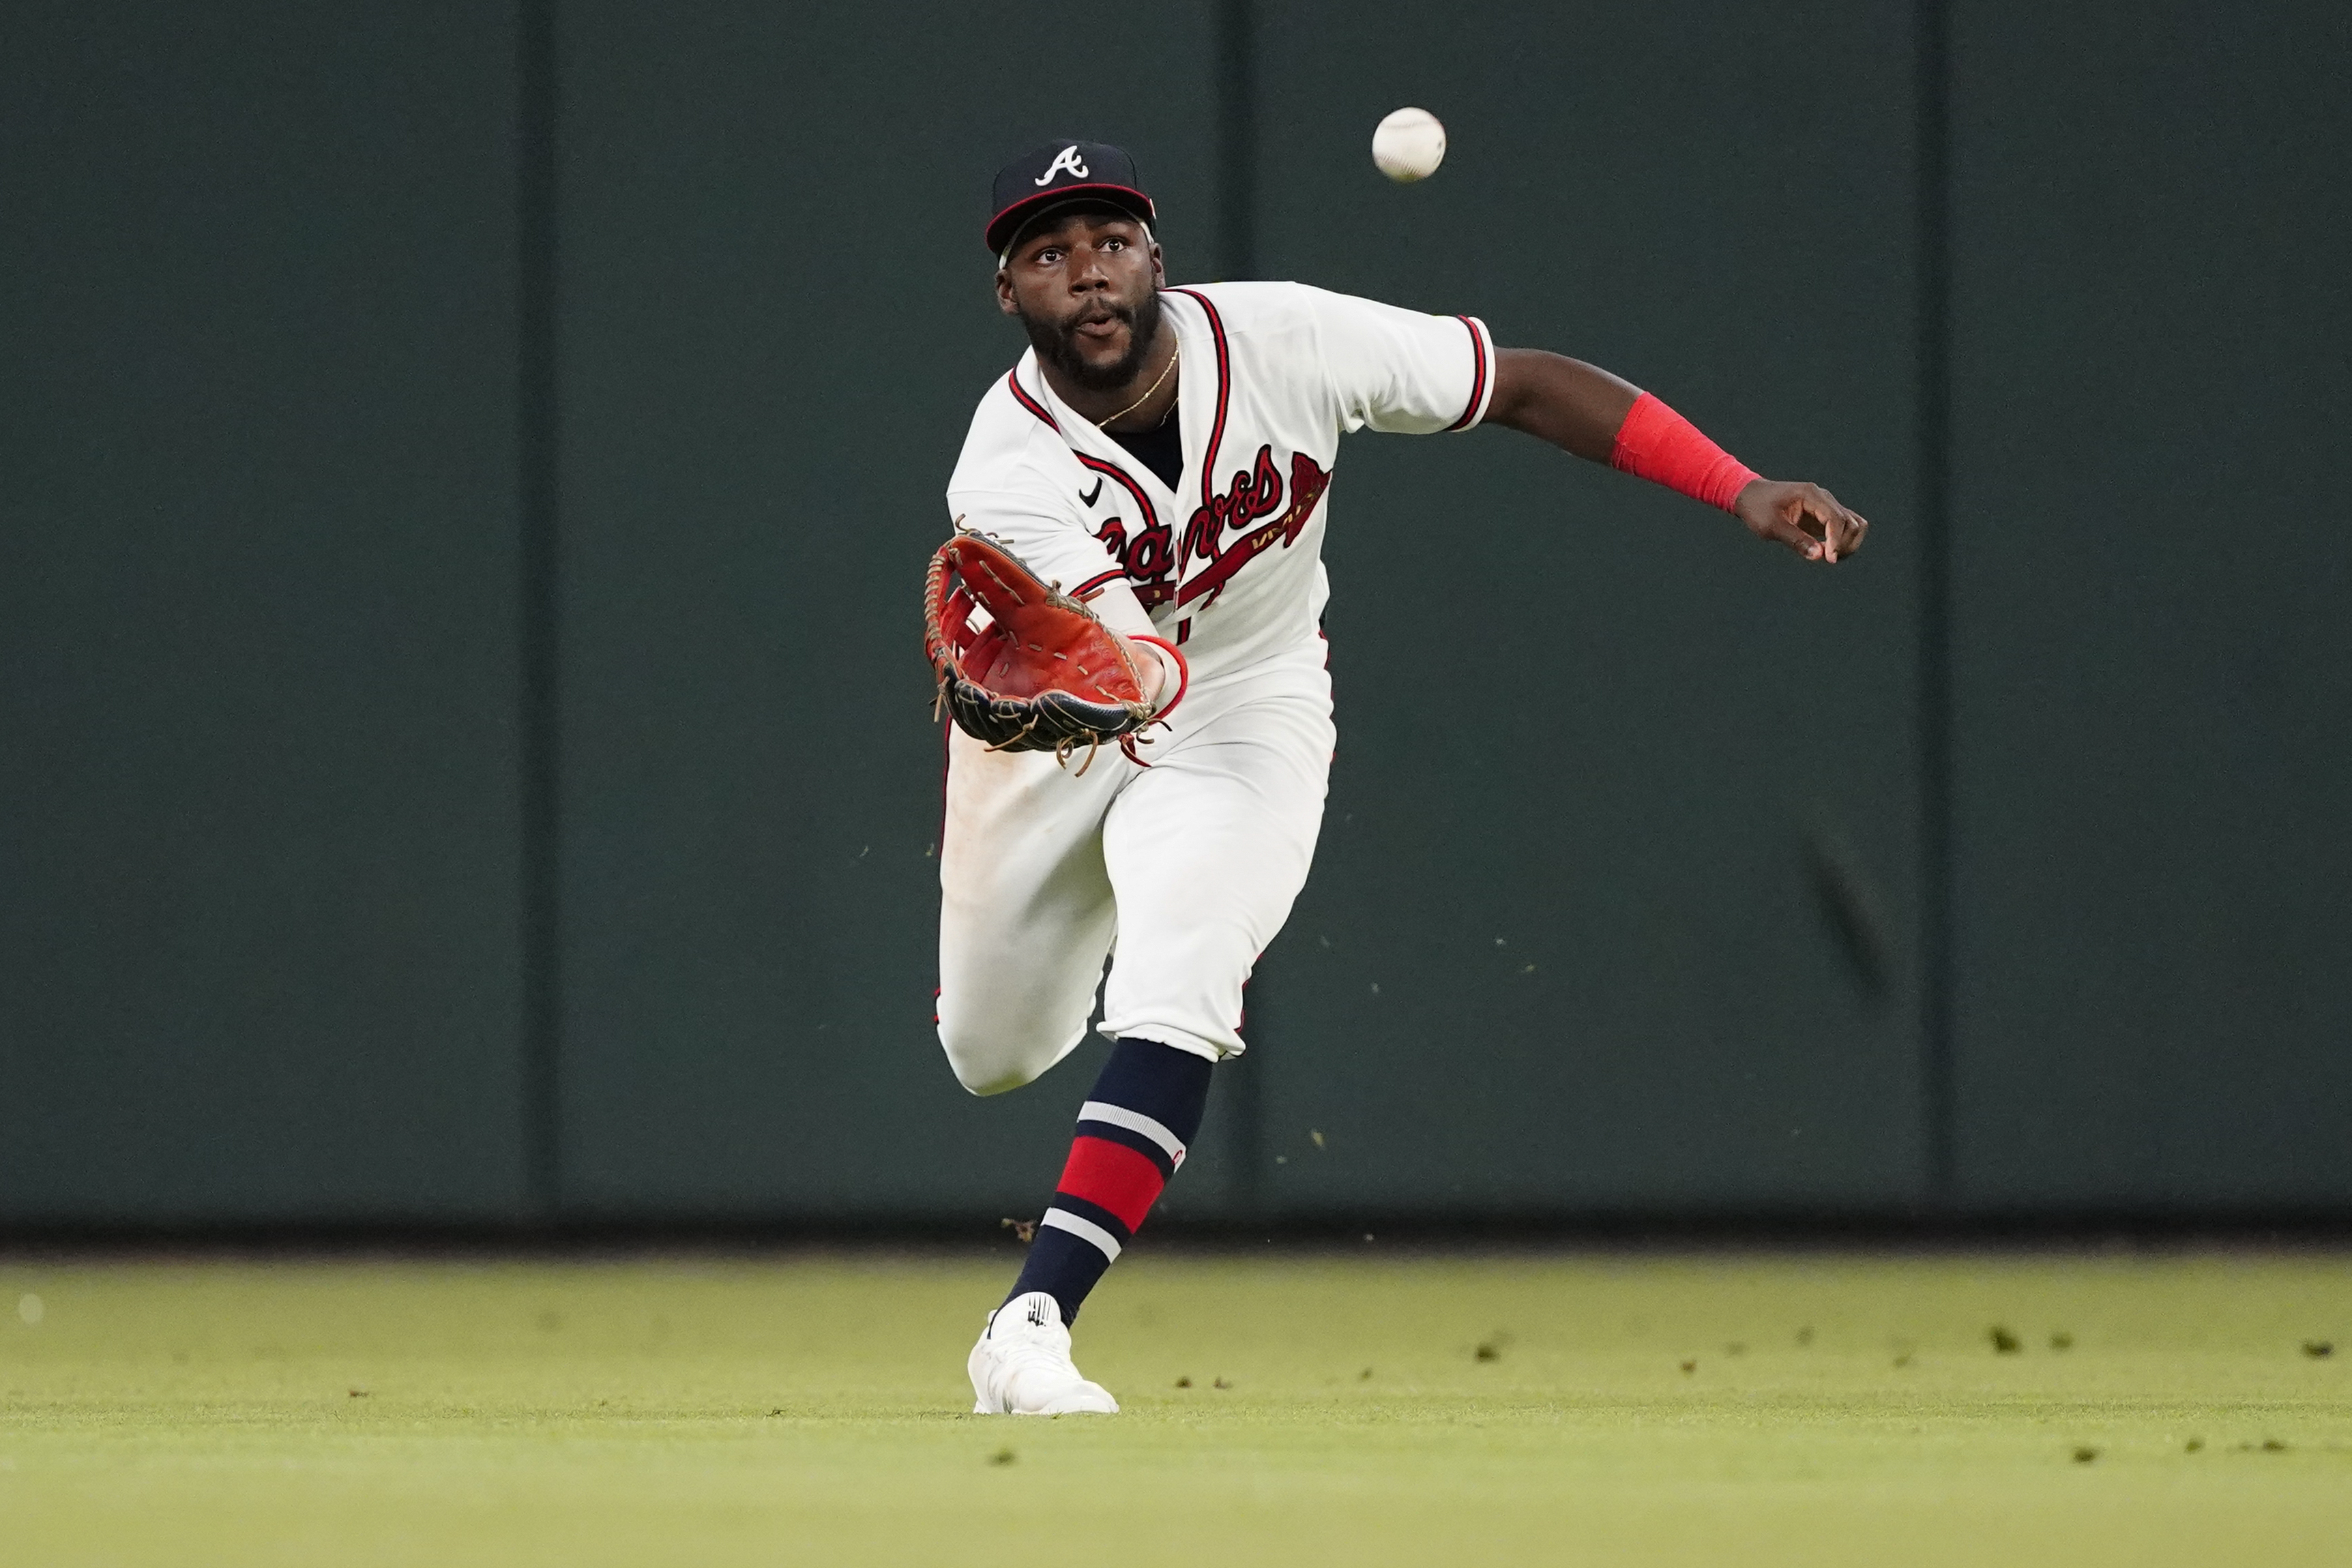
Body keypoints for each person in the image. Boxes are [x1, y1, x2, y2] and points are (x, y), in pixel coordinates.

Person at [942, 141, 1868, 1415]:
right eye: (1048, 254)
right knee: (990, 1051)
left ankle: (1030, 1326)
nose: (1086, 275)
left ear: (1159, 255)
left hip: (1246, 711)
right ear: (1010, 294)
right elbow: (1125, 665)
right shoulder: (1004, 466)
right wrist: (1120, 683)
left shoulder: (1291, 339)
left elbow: (1528, 387)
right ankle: (1053, 1001)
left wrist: (1738, 484)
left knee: (1183, 975)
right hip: (1058, 738)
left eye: (1108, 242)